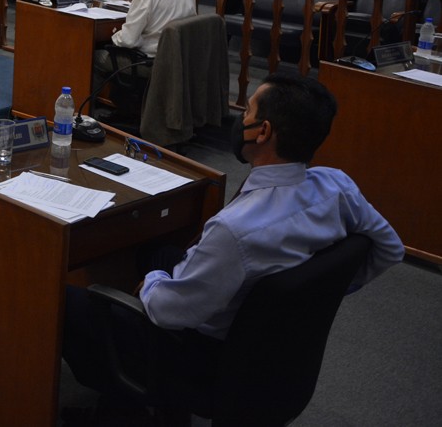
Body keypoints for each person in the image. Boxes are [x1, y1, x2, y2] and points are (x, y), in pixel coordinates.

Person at [61, 73, 404, 417]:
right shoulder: (338, 186)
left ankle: (121, 410)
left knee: (65, 301)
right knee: (154, 253)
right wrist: (323, 289)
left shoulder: (236, 230)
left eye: (248, 111)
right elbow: (391, 248)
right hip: (271, 350)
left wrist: (152, 282)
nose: (241, 119)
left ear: (263, 132)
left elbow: (167, 312)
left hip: (200, 353)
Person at [91, 0, 196, 112]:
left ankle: (89, 113)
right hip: (179, 62)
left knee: (96, 56)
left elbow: (128, 41)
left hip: (150, 63)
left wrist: (114, 35)